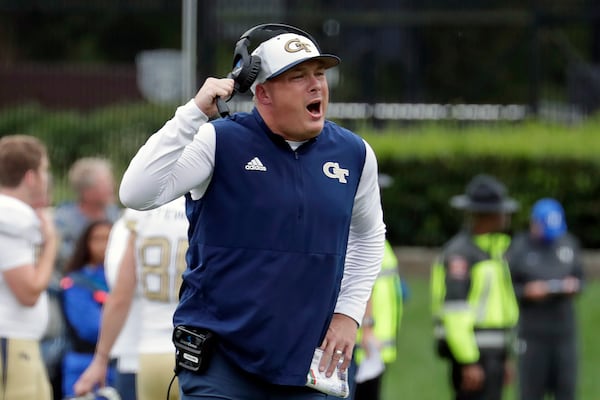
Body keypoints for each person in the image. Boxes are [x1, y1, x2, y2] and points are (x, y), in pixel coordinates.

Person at [115, 23, 386, 400]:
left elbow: (370, 235)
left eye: (319, 74)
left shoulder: (354, 153)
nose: (316, 86)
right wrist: (192, 114)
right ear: (262, 93)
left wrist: (348, 313)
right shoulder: (219, 140)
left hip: (308, 364)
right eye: (298, 77)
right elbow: (136, 193)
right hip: (221, 362)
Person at [74, 197, 188, 400]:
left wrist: (100, 358)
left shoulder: (140, 213)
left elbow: (120, 294)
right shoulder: (203, 206)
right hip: (193, 350)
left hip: (148, 353)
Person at [430, 174, 520, 400]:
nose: (505, 216)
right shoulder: (461, 254)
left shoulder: (495, 250)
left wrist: (505, 356)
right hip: (474, 356)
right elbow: (455, 312)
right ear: (486, 215)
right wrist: (468, 361)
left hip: (494, 354)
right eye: (501, 211)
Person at [44, 156, 122, 399]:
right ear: (88, 190)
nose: (112, 187)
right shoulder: (63, 221)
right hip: (69, 309)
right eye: (105, 183)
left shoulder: (118, 217)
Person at [506, 198, 584, 400]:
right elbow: (506, 288)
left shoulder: (569, 244)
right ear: (534, 223)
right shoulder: (520, 248)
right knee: (531, 392)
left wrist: (572, 286)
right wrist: (527, 291)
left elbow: (581, 279)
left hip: (563, 333)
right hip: (533, 334)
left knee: (566, 391)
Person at [0, 134, 57, 400]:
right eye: (44, 170)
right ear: (31, 177)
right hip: (10, 338)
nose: (47, 178)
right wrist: (51, 245)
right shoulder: (11, 214)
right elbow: (28, 292)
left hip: (17, 340)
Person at [60, 219, 116, 398]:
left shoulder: (122, 278)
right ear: (86, 244)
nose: (103, 245)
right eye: (97, 239)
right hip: (84, 364)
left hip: (120, 365)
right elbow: (91, 327)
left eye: (109, 239)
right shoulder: (77, 282)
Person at [351, 239, 403, 400]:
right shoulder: (365, 235)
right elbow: (364, 284)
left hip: (375, 341)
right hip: (364, 344)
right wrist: (367, 330)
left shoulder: (378, 235)